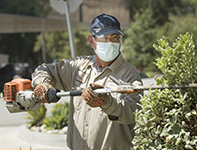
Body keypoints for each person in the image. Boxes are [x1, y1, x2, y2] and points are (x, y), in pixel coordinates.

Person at [31, 13, 143, 150]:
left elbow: (133, 113)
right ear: (91, 41)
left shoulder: (128, 74)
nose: (111, 43)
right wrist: (43, 84)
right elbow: (43, 69)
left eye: (115, 38)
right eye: (104, 38)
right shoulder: (79, 66)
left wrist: (107, 102)